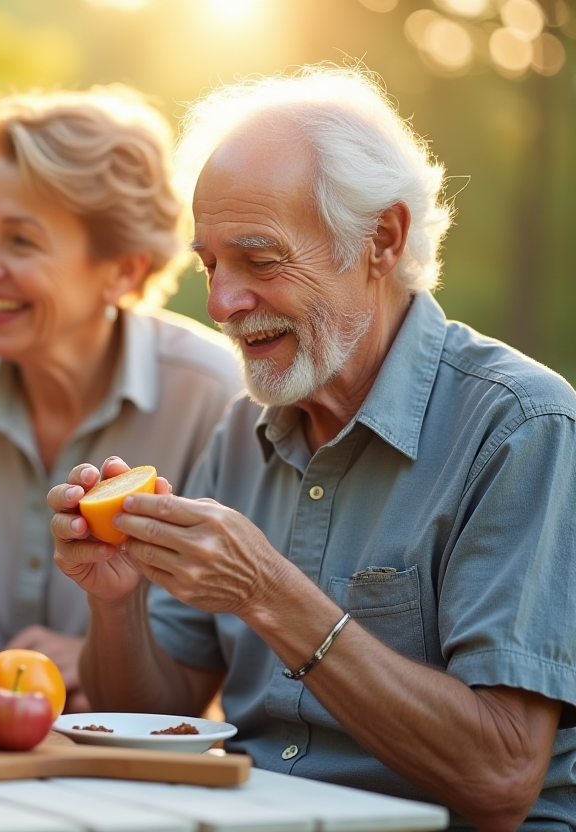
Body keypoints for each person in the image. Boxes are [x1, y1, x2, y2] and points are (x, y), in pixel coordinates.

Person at [48, 65, 576, 829]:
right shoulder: (240, 430)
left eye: (260, 260)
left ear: (382, 239)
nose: (221, 302)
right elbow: (151, 718)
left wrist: (269, 591)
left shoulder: (522, 427)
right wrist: (116, 600)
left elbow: (498, 778)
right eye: (210, 263)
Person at [0, 85, 241, 712]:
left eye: (21, 241)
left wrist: (96, 649)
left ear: (125, 271)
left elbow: (192, 677)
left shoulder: (213, 394)